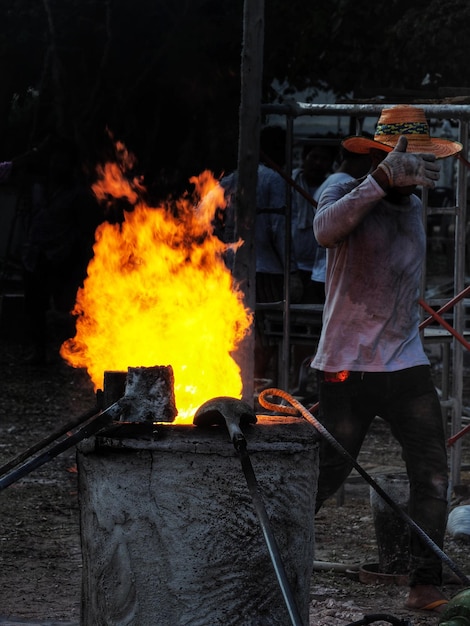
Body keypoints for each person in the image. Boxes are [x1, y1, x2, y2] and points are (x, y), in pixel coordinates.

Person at [311, 105, 462, 613]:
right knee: (328, 472)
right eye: (404, 159)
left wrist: (399, 183)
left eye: (418, 160)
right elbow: (324, 230)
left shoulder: (414, 205)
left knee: (433, 473)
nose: (412, 171)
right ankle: (264, 552)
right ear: (379, 155)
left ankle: (425, 582)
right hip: (346, 364)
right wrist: (379, 179)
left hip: (405, 362)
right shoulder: (341, 187)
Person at [220, 125, 301, 382]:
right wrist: (292, 270)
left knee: (240, 327)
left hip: (232, 267)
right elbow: (280, 229)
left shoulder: (231, 178)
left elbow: (202, 215)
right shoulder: (274, 179)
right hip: (267, 270)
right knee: (266, 331)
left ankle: (242, 380)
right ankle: (258, 384)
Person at [21, 137, 102, 364]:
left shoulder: (78, 194)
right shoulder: (39, 188)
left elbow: (84, 231)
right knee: (35, 307)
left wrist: (74, 258)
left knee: (64, 310)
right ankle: (38, 352)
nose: (57, 165)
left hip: (62, 258)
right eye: (54, 160)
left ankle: (66, 353)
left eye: (62, 161)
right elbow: (30, 216)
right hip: (35, 256)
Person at [310, 146, 372, 298]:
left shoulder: (330, 182)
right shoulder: (349, 186)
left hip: (323, 271)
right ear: (366, 159)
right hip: (338, 274)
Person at [291, 143, 336, 304]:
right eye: (314, 157)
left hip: (319, 270)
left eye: (324, 159)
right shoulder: (290, 184)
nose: (318, 163)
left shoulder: (334, 189)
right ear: (304, 158)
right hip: (292, 267)